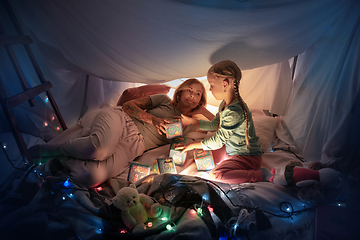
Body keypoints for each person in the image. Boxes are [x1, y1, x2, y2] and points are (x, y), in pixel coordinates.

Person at [28, 78, 214, 188]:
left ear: (200, 100)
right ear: (179, 93)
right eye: (189, 90)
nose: (192, 94)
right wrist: (153, 119)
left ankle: (61, 159)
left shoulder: (191, 125)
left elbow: (220, 125)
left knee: (90, 177)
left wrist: (198, 113)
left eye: (198, 94)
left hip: (135, 146)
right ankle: (54, 149)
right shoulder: (164, 100)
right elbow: (127, 105)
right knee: (99, 150)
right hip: (122, 120)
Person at [176, 60, 271, 184]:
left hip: (247, 158)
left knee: (215, 175)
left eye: (212, 85)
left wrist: (192, 145)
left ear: (225, 84)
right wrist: (191, 121)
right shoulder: (225, 104)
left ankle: (260, 175)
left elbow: (218, 141)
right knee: (203, 155)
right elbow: (215, 125)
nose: (210, 89)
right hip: (233, 151)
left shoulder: (234, 111)